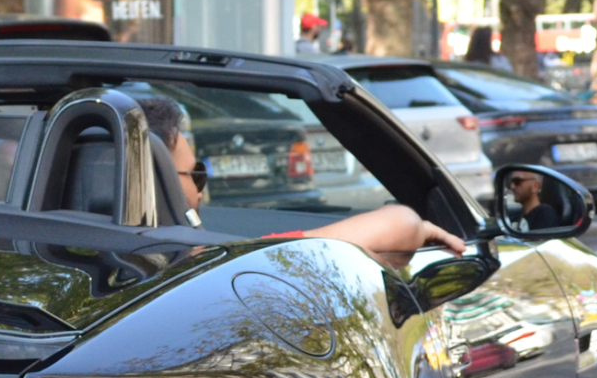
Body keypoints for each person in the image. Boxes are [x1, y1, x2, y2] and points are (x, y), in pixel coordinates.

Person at [133, 93, 463, 269]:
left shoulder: (94, 261)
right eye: (197, 174)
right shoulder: (211, 265)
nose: (202, 188)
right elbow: (400, 225)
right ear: (163, 182)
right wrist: (424, 228)